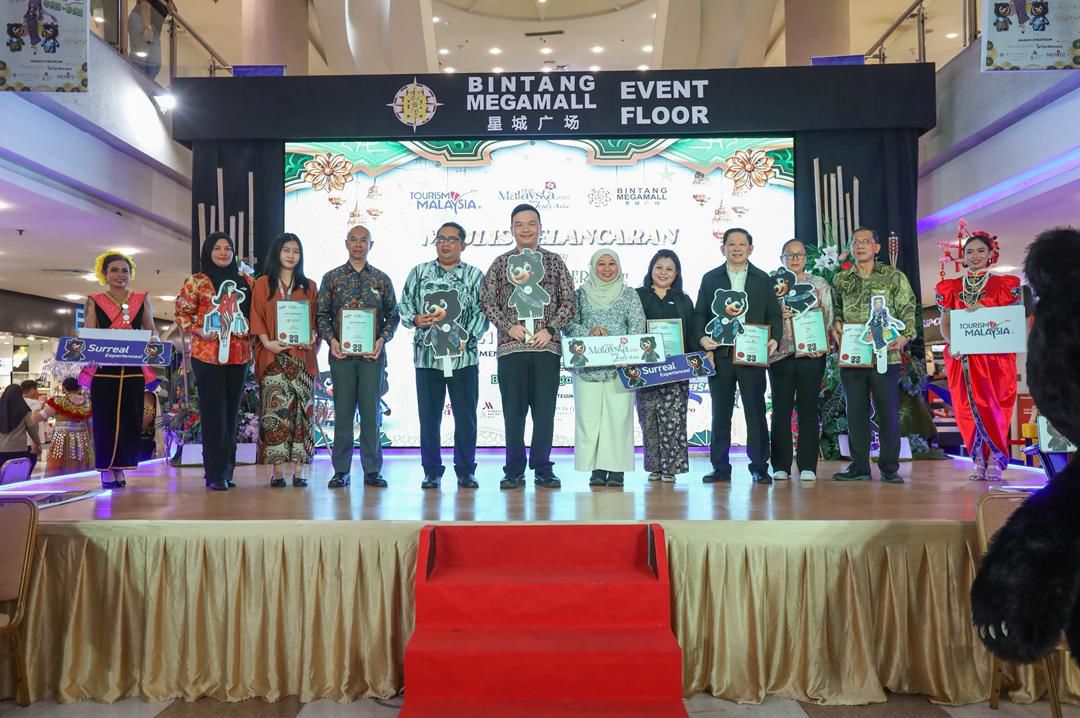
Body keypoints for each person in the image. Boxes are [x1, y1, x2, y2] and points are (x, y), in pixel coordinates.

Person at [480, 203, 576, 490]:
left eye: (531, 223)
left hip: (546, 349)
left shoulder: (554, 262)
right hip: (512, 350)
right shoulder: (500, 264)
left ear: (540, 227)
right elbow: (487, 301)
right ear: (511, 229)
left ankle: (543, 468)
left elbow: (569, 302)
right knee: (513, 414)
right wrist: (507, 326)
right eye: (519, 224)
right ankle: (513, 470)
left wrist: (550, 329)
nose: (525, 229)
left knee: (545, 413)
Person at [399, 221, 488, 490]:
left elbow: (483, 312)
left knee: (466, 418)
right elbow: (404, 305)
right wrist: (415, 318)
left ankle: (465, 470)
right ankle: (431, 471)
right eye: (441, 239)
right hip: (428, 358)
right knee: (429, 418)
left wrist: (467, 337)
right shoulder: (419, 272)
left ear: (463, 244)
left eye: (452, 239)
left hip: (463, 358)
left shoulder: (474, 275)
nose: (445, 244)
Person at [694, 227, 782, 485]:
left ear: (750, 249)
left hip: (752, 355)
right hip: (720, 355)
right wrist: (702, 340)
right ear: (722, 248)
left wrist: (775, 338)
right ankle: (720, 467)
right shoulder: (710, 278)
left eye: (741, 244)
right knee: (720, 413)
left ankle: (759, 467)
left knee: (755, 412)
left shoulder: (762, 279)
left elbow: (773, 315)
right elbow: (700, 314)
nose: (736, 248)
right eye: (731, 244)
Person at [831, 227, 917, 484]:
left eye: (866, 241)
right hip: (853, 354)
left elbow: (908, 308)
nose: (860, 246)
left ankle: (889, 467)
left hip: (885, 354)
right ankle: (860, 467)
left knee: (887, 411)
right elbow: (836, 308)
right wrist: (836, 323)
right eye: (855, 242)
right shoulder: (841, 279)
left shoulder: (893, 276)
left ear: (876, 247)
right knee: (855, 412)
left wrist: (906, 336)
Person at [315, 224, 399, 488]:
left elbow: (393, 316)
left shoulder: (381, 279)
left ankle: (372, 470)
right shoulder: (332, 278)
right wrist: (332, 340)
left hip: (372, 357)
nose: (359, 244)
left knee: (371, 414)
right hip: (341, 356)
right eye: (354, 239)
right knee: (343, 414)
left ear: (371, 245)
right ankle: (341, 470)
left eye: (364, 240)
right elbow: (321, 315)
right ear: (346, 243)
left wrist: (381, 340)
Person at [936, 227, 1021, 481]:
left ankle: (995, 456)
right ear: (963, 256)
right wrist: (953, 343)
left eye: (980, 251)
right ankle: (978, 459)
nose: (975, 256)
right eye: (969, 252)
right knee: (966, 408)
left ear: (991, 253)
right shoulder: (951, 287)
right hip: (962, 357)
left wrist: (987, 310)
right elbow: (945, 323)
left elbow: (1013, 321)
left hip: (995, 358)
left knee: (994, 407)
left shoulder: (1004, 285)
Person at [174, 232, 255, 492]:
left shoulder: (245, 281)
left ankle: (227, 471)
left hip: (238, 355)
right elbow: (182, 313)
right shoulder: (196, 281)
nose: (223, 252)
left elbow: (255, 314)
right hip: (207, 355)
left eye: (227, 248)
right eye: (217, 248)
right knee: (213, 414)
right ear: (208, 252)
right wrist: (198, 329)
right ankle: (214, 472)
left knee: (231, 414)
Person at [564, 250, 645, 487]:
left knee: (618, 419)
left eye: (612, 264)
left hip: (620, 368)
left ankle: (616, 469)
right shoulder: (579, 295)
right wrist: (587, 332)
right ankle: (597, 469)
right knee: (589, 419)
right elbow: (569, 324)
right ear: (592, 267)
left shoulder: (629, 294)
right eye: (601, 264)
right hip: (587, 368)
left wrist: (629, 354)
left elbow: (637, 325)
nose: (607, 268)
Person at [84, 250, 159, 489]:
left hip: (133, 369)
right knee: (105, 420)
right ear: (104, 274)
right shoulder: (94, 299)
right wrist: (90, 353)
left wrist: (155, 342)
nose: (120, 275)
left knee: (130, 419)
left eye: (125, 270)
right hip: (105, 370)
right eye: (114, 270)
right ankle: (106, 469)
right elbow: (90, 332)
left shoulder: (141, 298)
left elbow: (151, 329)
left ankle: (121, 466)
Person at [251, 233, 320, 488]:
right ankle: (278, 472)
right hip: (273, 357)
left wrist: (312, 335)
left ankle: (300, 471)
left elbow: (316, 320)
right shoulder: (262, 284)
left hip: (301, 358)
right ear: (277, 253)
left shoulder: (309, 286)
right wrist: (267, 342)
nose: (291, 255)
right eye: (286, 250)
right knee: (276, 415)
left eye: (296, 251)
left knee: (303, 415)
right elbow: (256, 315)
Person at [768, 239, 834, 482]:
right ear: (781, 258)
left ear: (806, 258)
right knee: (781, 409)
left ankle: (808, 465)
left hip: (812, 354)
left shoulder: (819, 283)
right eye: (789, 254)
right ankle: (780, 465)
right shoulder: (771, 282)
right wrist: (777, 312)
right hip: (780, 354)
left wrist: (823, 344)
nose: (795, 259)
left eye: (799, 254)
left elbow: (828, 316)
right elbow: (762, 314)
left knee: (808, 408)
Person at [636, 250, 697, 483]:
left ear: (676, 273)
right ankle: (654, 466)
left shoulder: (683, 299)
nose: (663, 273)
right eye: (659, 267)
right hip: (646, 369)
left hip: (676, 369)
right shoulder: (637, 296)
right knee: (649, 419)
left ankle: (671, 467)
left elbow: (691, 333)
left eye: (669, 269)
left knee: (673, 419)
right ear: (651, 269)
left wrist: (698, 358)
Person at [39, 377, 94, 477]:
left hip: (61, 440)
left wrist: (39, 405)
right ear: (80, 388)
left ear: (63, 388)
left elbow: (38, 417)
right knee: (81, 467)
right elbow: (91, 426)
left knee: (59, 470)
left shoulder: (58, 402)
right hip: (82, 440)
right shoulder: (87, 404)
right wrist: (91, 442)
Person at [126, 0, 176, 81]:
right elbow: (144, 3)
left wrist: (172, 7)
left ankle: (145, 86)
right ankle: (135, 84)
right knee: (140, 60)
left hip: (154, 28)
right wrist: (147, 27)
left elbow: (174, 11)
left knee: (155, 64)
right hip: (141, 20)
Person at [0, 384, 43, 473]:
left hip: (1, 449)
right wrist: (38, 443)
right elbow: (32, 428)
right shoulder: (25, 410)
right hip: (19, 449)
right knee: (17, 475)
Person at [20, 380, 45, 473]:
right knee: (30, 465)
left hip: (20, 440)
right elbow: (34, 423)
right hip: (31, 440)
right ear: (32, 390)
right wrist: (35, 442)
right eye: (36, 389)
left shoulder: (18, 402)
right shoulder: (35, 403)